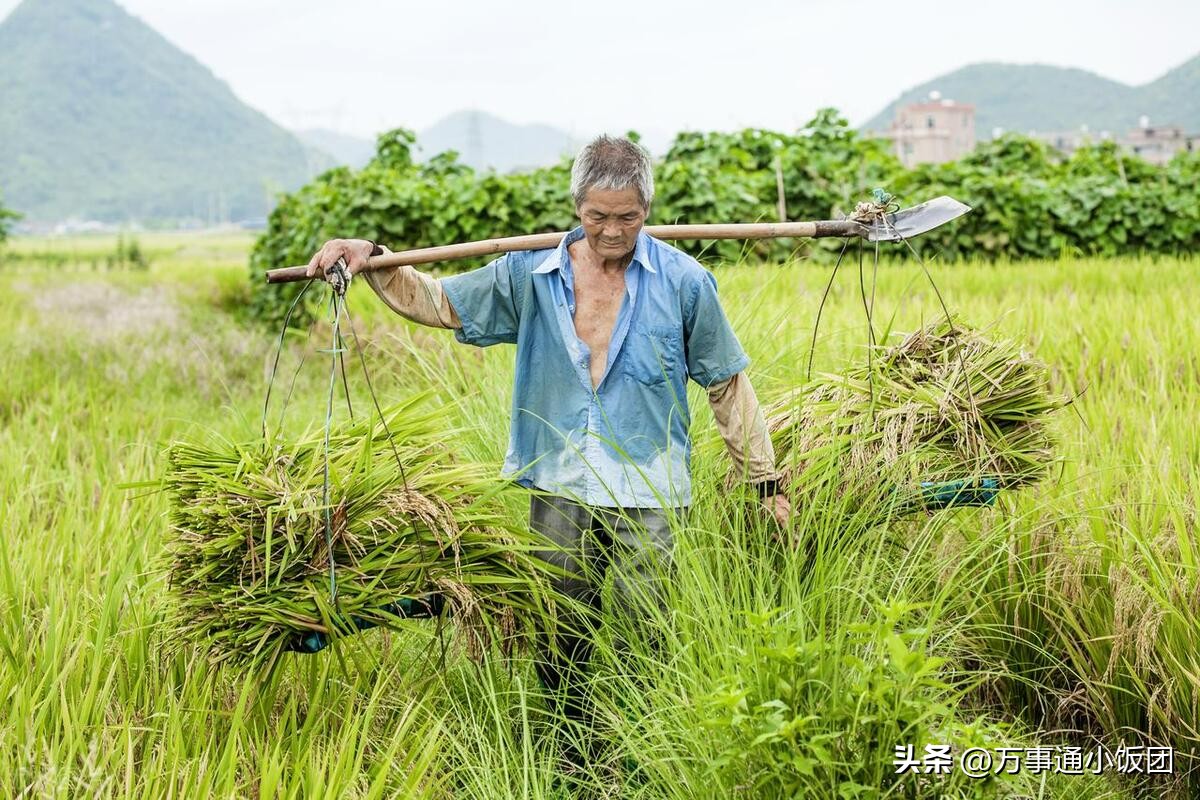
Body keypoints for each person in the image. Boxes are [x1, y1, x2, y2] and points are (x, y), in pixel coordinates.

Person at [305, 134, 791, 766]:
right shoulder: (530, 274)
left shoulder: (684, 282)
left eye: (627, 217)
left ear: (647, 210)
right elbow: (441, 302)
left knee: (646, 626)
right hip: (560, 481)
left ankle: (643, 754)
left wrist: (764, 483)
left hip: (649, 488)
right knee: (561, 627)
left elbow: (727, 383)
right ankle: (569, 754)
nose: (612, 231)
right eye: (597, 216)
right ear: (577, 208)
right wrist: (373, 258)